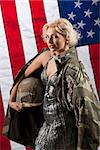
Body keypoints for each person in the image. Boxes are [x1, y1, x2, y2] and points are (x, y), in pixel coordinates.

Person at [8, 18, 100, 149]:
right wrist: (12, 101)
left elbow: (86, 107)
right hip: (47, 126)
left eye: (55, 36)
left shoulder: (73, 69)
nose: (49, 41)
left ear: (67, 38)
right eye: (47, 37)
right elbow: (22, 75)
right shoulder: (47, 56)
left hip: (65, 129)